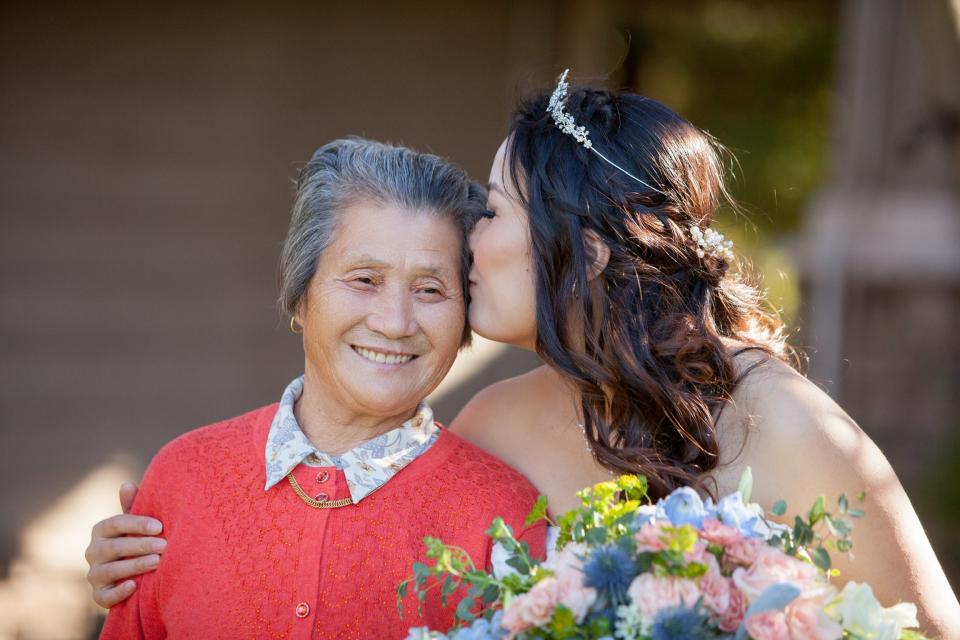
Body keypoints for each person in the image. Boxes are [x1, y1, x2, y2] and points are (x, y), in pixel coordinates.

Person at [88, 73, 960, 637]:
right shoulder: (495, 427)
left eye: (494, 209)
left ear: (585, 243)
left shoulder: (788, 428)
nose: (469, 238)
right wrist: (160, 552)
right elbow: (374, 524)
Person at [95, 137, 547, 639]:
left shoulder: (502, 518)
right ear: (300, 297)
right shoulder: (181, 480)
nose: (395, 323)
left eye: (430, 290)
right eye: (364, 279)